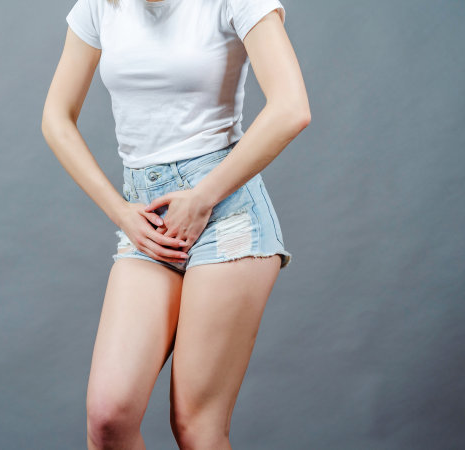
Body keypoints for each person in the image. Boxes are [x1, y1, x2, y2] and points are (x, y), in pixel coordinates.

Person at [41, 0, 311, 447]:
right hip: (146, 220)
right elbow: (55, 117)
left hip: (225, 213)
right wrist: (120, 211)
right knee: (109, 419)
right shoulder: (100, 5)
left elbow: (291, 107)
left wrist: (203, 197)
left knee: (196, 427)